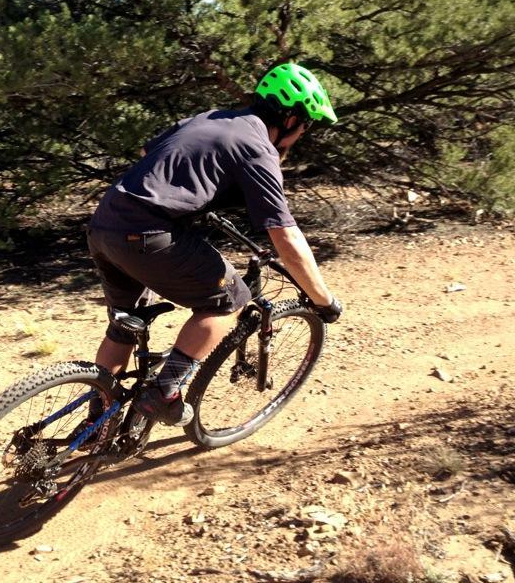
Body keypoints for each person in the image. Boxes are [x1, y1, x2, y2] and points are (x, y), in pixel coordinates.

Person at [86, 62, 343, 426]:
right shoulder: (258, 147)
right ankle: (164, 393)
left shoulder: (212, 117)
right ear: (290, 118)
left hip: (105, 223)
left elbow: (151, 156)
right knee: (230, 300)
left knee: (126, 324)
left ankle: (97, 422)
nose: (304, 133)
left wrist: (195, 194)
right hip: (147, 232)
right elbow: (284, 234)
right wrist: (322, 299)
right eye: (307, 124)